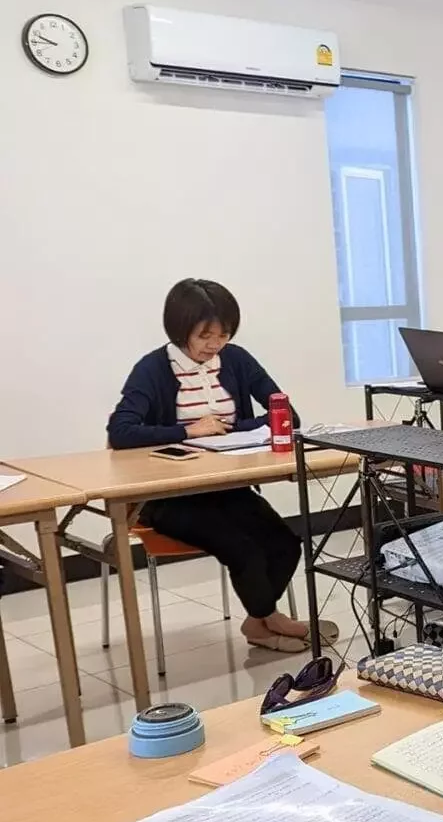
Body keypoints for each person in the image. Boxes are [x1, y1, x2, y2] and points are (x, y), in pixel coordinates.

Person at [107, 278, 333, 653]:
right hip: (171, 497)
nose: (215, 345)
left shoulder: (237, 360)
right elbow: (121, 431)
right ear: (181, 331)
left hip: (226, 486)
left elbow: (284, 414)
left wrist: (229, 428)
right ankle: (265, 622)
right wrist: (188, 430)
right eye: (205, 336)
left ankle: (258, 619)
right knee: (242, 548)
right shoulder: (153, 369)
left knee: (285, 543)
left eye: (223, 334)